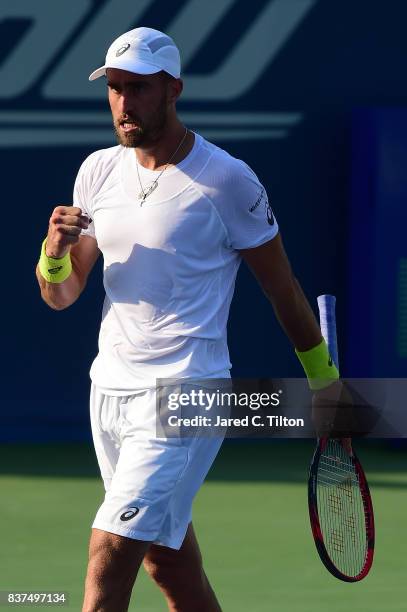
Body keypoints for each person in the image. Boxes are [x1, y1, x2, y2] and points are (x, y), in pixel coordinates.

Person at [36, 27, 341, 612]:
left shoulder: (228, 180)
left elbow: (283, 291)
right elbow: (63, 294)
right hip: (111, 392)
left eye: (140, 89)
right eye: (116, 89)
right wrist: (52, 254)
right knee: (168, 563)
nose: (124, 103)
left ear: (172, 89)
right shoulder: (98, 171)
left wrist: (325, 380)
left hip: (187, 393)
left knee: (110, 551)